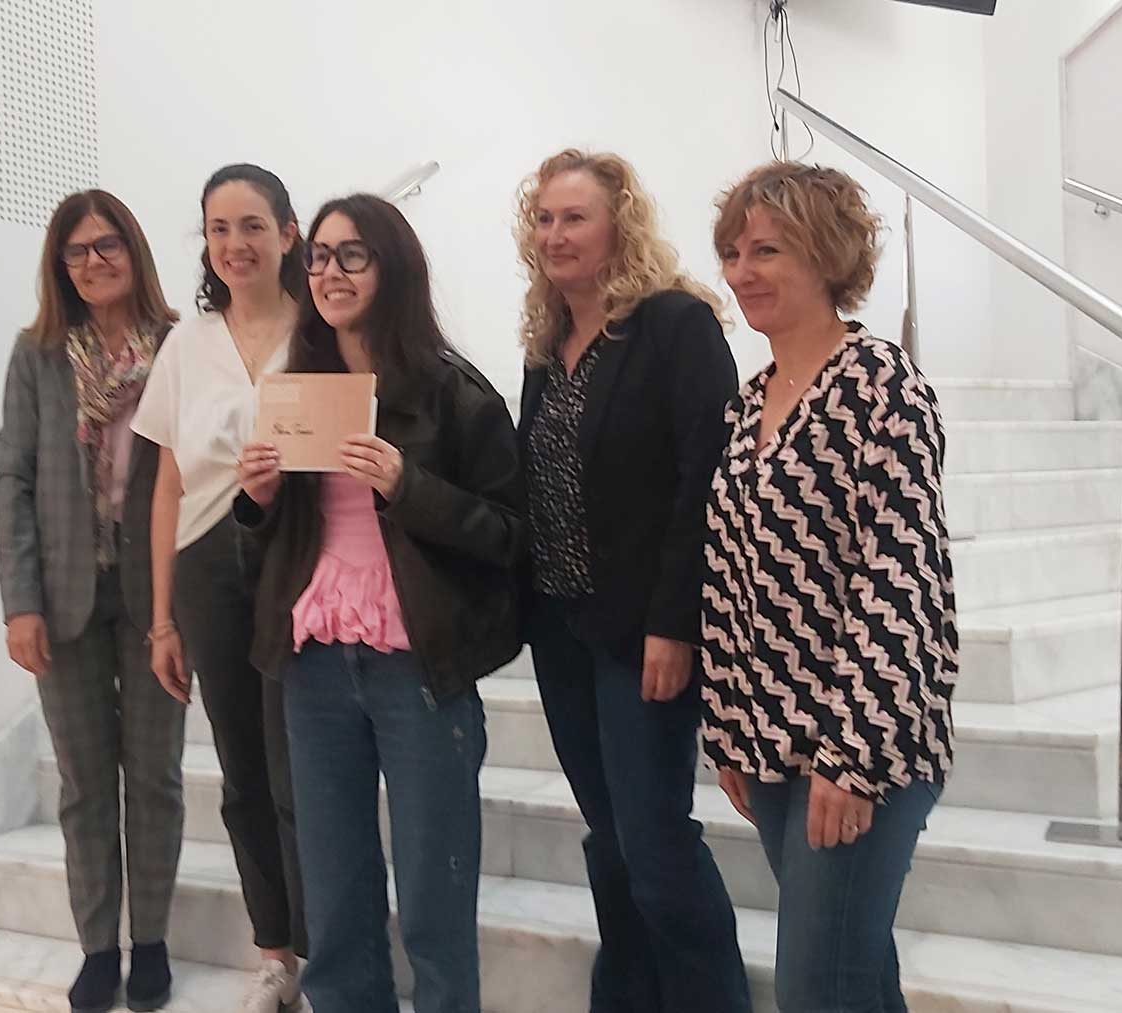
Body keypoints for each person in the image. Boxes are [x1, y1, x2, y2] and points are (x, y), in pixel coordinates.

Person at [235, 193, 524, 1013]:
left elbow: (511, 536)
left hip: (417, 663)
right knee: (333, 900)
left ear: (392, 267)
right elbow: (269, 552)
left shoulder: (454, 393)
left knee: (434, 896)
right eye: (320, 256)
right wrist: (256, 502)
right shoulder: (297, 391)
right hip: (314, 659)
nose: (330, 272)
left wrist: (407, 484)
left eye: (351, 254)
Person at [702, 160, 959, 1012]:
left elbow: (902, 581)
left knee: (817, 988)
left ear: (825, 255)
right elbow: (728, 574)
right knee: (854, 977)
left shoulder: (883, 386)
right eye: (734, 252)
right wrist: (729, 729)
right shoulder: (749, 404)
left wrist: (854, 757)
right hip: (771, 740)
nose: (743, 272)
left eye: (767, 250)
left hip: (866, 746)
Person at [513, 148, 750, 1013]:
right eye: (544, 218)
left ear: (620, 226)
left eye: (574, 217)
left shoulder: (675, 325)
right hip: (562, 629)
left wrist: (675, 623)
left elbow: (706, 480)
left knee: (653, 841)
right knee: (610, 837)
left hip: (644, 630)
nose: (555, 234)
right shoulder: (547, 346)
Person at [0, 190, 183, 1013]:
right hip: (64, 595)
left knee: (156, 776)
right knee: (83, 783)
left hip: (156, 597)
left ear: (133, 251)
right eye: (77, 250)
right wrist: (19, 601)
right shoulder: (36, 355)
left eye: (108, 245)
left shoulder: (179, 347)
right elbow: (14, 478)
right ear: (60, 265)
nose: (94, 261)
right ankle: (99, 947)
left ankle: (153, 942)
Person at [131, 162, 310, 1012]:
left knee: (299, 767)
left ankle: (329, 939)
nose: (235, 244)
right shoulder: (187, 344)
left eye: (252, 225)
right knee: (243, 770)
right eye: (219, 229)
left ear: (288, 232)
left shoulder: (321, 328)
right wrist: (162, 618)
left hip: (300, 556)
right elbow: (168, 483)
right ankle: (276, 951)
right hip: (207, 562)